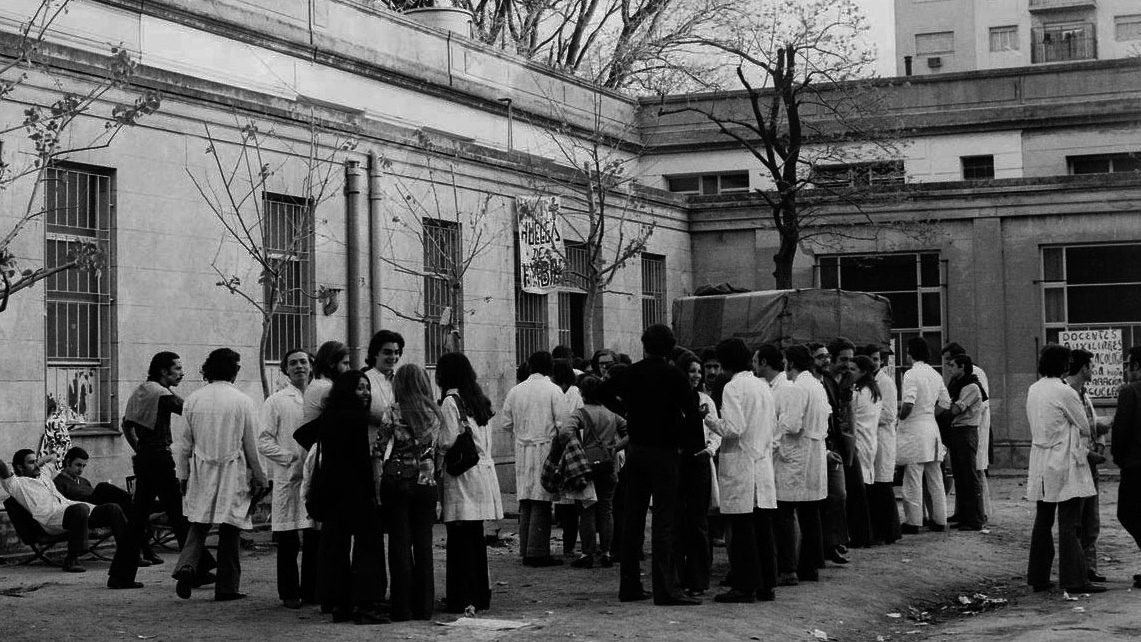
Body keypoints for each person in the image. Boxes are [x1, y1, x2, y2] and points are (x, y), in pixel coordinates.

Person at [598, 324, 704, 606]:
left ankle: (630, 585)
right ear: (671, 348)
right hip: (666, 452)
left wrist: (628, 412)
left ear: (644, 346)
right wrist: (686, 442)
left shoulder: (632, 372)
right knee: (663, 521)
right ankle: (665, 588)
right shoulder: (675, 376)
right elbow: (692, 415)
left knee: (633, 519)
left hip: (637, 451)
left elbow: (602, 391)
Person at [173, 348, 268, 602]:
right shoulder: (242, 401)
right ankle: (227, 587)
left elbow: (183, 444)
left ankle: (187, 567)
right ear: (234, 371)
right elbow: (251, 445)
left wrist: (182, 475)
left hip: (201, 468)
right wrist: (260, 475)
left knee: (199, 523)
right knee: (231, 527)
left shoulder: (193, 400)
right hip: (232, 469)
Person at [122, 351, 215, 587]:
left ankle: (120, 575)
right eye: (177, 369)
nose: (181, 373)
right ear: (164, 371)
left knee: (137, 518)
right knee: (179, 514)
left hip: (145, 458)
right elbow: (189, 410)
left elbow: (126, 425)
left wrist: (139, 449)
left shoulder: (142, 390)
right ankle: (196, 567)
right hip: (160, 459)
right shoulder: (162, 394)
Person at [311, 370, 388, 624]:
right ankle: (366, 604)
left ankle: (339, 604)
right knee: (368, 548)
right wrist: (372, 494)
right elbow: (360, 461)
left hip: (333, 493)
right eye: (359, 388)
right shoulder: (357, 418)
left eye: (367, 388)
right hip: (356, 492)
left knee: (336, 549)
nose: (365, 393)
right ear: (347, 391)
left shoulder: (329, 417)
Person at [1026, 344, 1103, 594]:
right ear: (1064, 365)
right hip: (1063, 460)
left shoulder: (1034, 389)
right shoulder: (1065, 391)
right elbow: (1084, 425)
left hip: (1040, 458)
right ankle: (1074, 579)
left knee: (1043, 520)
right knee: (1070, 524)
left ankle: (1038, 576)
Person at [1, 450, 140, 586]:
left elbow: (53, 457)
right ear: (20, 467)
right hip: (51, 520)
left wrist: (38, 462)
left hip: (71, 511)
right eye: (31, 463)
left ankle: (129, 557)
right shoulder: (15, 484)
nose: (37, 465)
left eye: (36, 461)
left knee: (112, 508)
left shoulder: (43, 474)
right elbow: (2, 467)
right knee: (80, 509)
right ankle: (71, 559)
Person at [707, 338, 778, 603]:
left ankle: (745, 586)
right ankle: (766, 584)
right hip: (760, 460)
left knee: (742, 531)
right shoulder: (762, 386)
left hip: (741, 461)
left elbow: (734, 428)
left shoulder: (733, 387)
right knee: (762, 529)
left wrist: (709, 419)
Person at [435, 352, 503, 613]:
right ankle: (479, 594)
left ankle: (460, 597)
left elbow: (447, 440)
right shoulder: (478, 399)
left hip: (462, 475)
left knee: (459, 538)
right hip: (483, 472)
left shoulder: (451, 401)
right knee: (475, 538)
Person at [257, 347, 318, 609]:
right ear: (285, 369)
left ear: (311, 365)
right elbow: (263, 440)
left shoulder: (320, 396)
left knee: (315, 536)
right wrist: (289, 457)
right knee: (289, 537)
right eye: (293, 363)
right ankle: (289, 592)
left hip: (316, 474)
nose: (299, 367)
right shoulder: (277, 400)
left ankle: (313, 590)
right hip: (289, 476)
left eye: (303, 362)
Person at [381, 363, 442, 621]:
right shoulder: (435, 413)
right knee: (424, 545)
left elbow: (379, 447)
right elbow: (440, 450)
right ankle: (424, 606)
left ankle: (401, 607)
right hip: (427, 483)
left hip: (398, 482)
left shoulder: (394, 411)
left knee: (399, 545)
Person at [763, 344, 827, 585]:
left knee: (785, 511)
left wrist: (775, 427)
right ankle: (810, 567)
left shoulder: (797, 387)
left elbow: (791, 425)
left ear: (790, 362)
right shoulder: (817, 385)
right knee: (810, 511)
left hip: (798, 452)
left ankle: (788, 568)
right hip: (814, 450)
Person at [501, 350, 565, 567]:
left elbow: (505, 422)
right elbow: (563, 424)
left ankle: (525, 547)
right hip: (544, 447)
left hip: (522, 447)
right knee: (541, 498)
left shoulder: (515, 391)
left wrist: (522, 429)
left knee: (526, 498)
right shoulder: (553, 390)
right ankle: (537, 552)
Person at [53, 446, 161, 566]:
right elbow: (62, 507)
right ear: (67, 462)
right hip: (82, 513)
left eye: (84, 466)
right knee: (103, 487)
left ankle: (135, 553)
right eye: (78, 465)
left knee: (118, 508)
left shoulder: (83, 481)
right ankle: (141, 505)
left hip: (98, 510)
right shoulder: (59, 482)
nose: (81, 469)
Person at [673, 354, 720, 594]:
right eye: (692, 371)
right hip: (678, 464)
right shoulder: (673, 400)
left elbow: (716, 430)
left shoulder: (705, 400)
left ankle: (699, 579)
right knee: (677, 521)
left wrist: (710, 450)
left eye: (698, 372)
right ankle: (678, 577)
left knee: (699, 522)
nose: (696, 376)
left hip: (699, 463)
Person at [363, 330, 404, 605]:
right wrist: (393, 418)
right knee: (373, 527)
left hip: (398, 461)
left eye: (396, 352)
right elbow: (363, 408)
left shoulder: (398, 381)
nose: (392, 357)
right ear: (375, 353)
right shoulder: (366, 379)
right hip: (371, 458)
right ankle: (374, 589)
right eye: (387, 352)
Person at [897, 337, 951, 535]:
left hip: (914, 430)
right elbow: (945, 403)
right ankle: (940, 519)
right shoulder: (935, 374)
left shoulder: (911, 374)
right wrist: (928, 413)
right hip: (931, 428)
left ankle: (914, 521)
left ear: (910, 352)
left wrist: (900, 417)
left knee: (913, 476)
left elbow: (908, 404)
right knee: (935, 476)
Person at [1066, 349, 1110, 583]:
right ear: (1083, 368)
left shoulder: (1084, 395)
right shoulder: (1066, 394)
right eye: (1091, 367)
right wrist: (1089, 453)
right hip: (1076, 463)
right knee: (1078, 518)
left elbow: (1092, 425)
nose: (1093, 371)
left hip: (1090, 462)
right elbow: (1071, 434)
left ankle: (1089, 566)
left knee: (1091, 518)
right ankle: (1079, 567)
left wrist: (1100, 446)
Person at [942, 342, 992, 524]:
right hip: (958, 431)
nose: (948, 368)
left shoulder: (972, 383)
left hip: (968, 429)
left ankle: (975, 517)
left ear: (962, 366)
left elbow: (956, 408)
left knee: (970, 475)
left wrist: (946, 407)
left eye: (951, 363)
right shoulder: (959, 382)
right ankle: (963, 514)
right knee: (961, 475)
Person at [809, 343, 849, 565]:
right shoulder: (803, 384)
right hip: (814, 446)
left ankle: (832, 542)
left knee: (838, 493)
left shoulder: (829, 383)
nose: (825, 360)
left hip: (832, 445)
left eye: (827, 356)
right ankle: (822, 546)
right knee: (817, 498)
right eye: (820, 357)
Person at [861, 345, 901, 545]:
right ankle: (881, 531)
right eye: (871, 359)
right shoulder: (867, 382)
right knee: (876, 487)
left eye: (877, 359)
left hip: (883, 436)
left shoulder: (885, 382)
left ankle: (889, 532)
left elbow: (890, 414)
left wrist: (868, 415)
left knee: (883, 485)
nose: (875, 363)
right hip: (872, 437)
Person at [1112, 346, 1141, 589]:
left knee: (1127, 513)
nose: (1126, 369)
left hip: (1135, 465)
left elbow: (1120, 432)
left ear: (1137, 367)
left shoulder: (1129, 392)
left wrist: (1118, 458)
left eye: (1128, 365)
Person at [302, 341, 352, 424]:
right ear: (331, 363)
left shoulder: (318, 384)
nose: (349, 368)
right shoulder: (326, 389)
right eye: (345, 363)